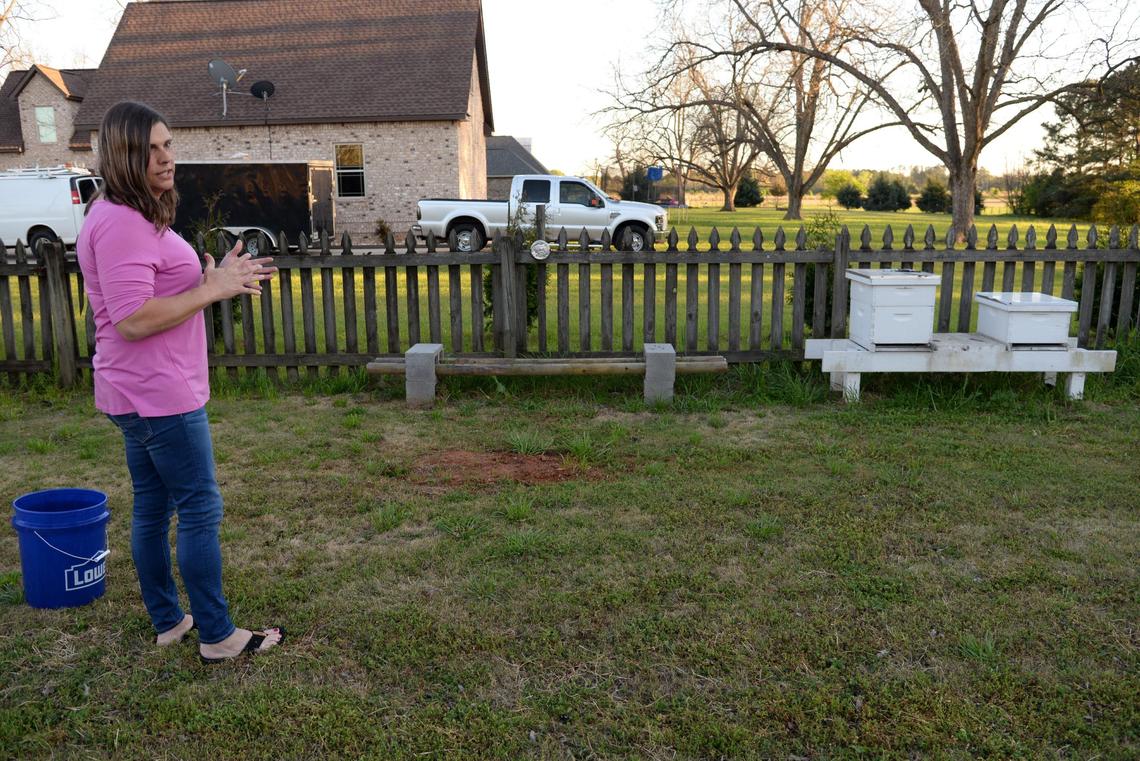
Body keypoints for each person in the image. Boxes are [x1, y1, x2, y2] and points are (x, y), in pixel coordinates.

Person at [77, 101, 283, 663]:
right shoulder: (120, 221)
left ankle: (170, 621)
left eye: (168, 145)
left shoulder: (120, 213)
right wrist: (212, 291)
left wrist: (210, 277)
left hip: (134, 389)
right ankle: (217, 636)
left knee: (151, 505)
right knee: (198, 509)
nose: (167, 159)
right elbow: (133, 318)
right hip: (157, 392)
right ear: (123, 155)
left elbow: (150, 296)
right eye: (152, 150)